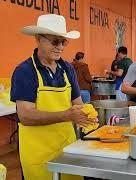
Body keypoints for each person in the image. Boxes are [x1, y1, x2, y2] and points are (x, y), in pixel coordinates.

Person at [10, 14, 97, 180]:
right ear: (38, 39)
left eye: (63, 42)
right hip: (38, 151)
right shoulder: (25, 71)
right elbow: (26, 115)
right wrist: (67, 115)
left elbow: (77, 103)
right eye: (55, 41)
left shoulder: (68, 69)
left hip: (66, 146)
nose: (60, 47)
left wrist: (88, 115)